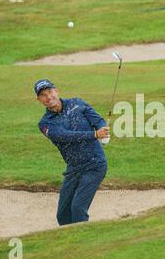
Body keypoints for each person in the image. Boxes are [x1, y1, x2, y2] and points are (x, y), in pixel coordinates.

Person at [35, 79, 110, 226]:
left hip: (95, 165)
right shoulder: (45, 124)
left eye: (50, 92)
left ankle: (83, 245)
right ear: (39, 100)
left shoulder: (78, 103)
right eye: (43, 95)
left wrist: (104, 130)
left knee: (78, 209)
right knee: (63, 215)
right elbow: (64, 136)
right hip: (74, 169)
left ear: (57, 91)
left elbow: (98, 120)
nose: (48, 97)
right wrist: (94, 135)